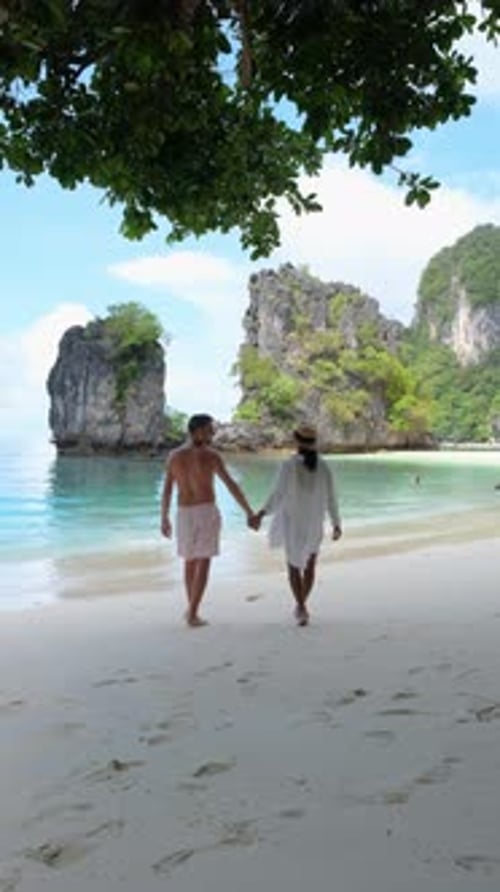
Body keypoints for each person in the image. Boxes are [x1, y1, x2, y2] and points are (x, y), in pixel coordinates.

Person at [161, 413, 256, 627]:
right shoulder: (209, 456)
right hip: (203, 511)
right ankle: (193, 611)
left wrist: (165, 517)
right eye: (209, 431)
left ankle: (192, 610)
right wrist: (249, 512)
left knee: (192, 561)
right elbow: (231, 485)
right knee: (200, 562)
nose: (212, 435)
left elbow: (168, 491)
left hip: (185, 513)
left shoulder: (176, 456)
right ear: (196, 431)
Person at [254, 423, 342, 626]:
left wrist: (261, 513)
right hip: (314, 523)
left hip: (293, 522)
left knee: (293, 566)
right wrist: (336, 523)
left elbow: (277, 495)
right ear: (314, 442)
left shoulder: (288, 465)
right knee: (310, 565)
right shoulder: (324, 466)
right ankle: (302, 606)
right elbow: (332, 498)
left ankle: (301, 606)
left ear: (296, 441)